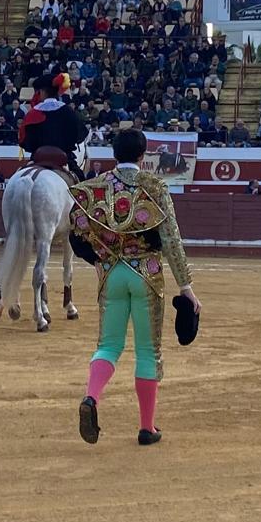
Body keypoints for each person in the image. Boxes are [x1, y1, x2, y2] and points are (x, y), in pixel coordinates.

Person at [66, 128, 200, 447]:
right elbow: (171, 240)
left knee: (109, 345)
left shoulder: (95, 187)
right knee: (147, 351)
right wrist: (187, 286)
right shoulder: (154, 186)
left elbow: (76, 233)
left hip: (111, 274)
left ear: (114, 154)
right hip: (146, 274)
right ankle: (146, 427)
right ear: (143, 156)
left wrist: (98, 260)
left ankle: (91, 397)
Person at [18, 86, 88, 181]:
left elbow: (26, 137)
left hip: (38, 156)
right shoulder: (67, 111)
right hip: (62, 156)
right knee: (80, 181)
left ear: (43, 92)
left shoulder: (34, 112)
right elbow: (80, 133)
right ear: (58, 93)